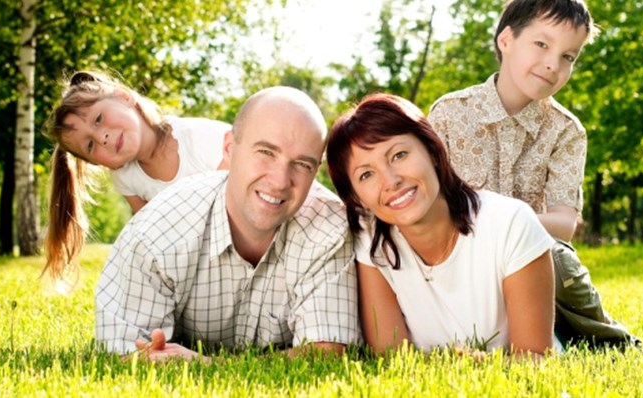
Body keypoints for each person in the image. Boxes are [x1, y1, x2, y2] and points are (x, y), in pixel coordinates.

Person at [428, 0, 638, 347]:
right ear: (506, 41)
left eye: (569, 57)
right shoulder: (450, 113)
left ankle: (609, 338)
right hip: (460, 255)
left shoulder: (566, 130)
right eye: (541, 44)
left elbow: (563, 224)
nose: (553, 64)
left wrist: (504, 227)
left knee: (558, 258)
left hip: (534, 260)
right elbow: (434, 205)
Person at [95, 86, 360, 361]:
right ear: (229, 149)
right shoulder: (159, 232)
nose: (280, 181)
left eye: (302, 164)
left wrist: (209, 366)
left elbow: (326, 352)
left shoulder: (329, 229)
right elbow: (120, 353)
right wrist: (147, 359)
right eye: (266, 152)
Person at [327, 93, 555, 360]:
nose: (390, 181)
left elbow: (535, 360)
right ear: (356, 197)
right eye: (366, 174)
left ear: (433, 151)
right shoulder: (371, 240)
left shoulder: (510, 223)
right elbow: (393, 359)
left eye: (399, 155)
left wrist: (458, 366)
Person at [43, 70, 230, 283]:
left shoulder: (197, 137)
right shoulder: (125, 177)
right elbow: (154, 235)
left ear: (124, 97)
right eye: (90, 145)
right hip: (199, 263)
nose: (102, 137)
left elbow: (237, 204)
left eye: (98, 118)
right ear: (98, 163)